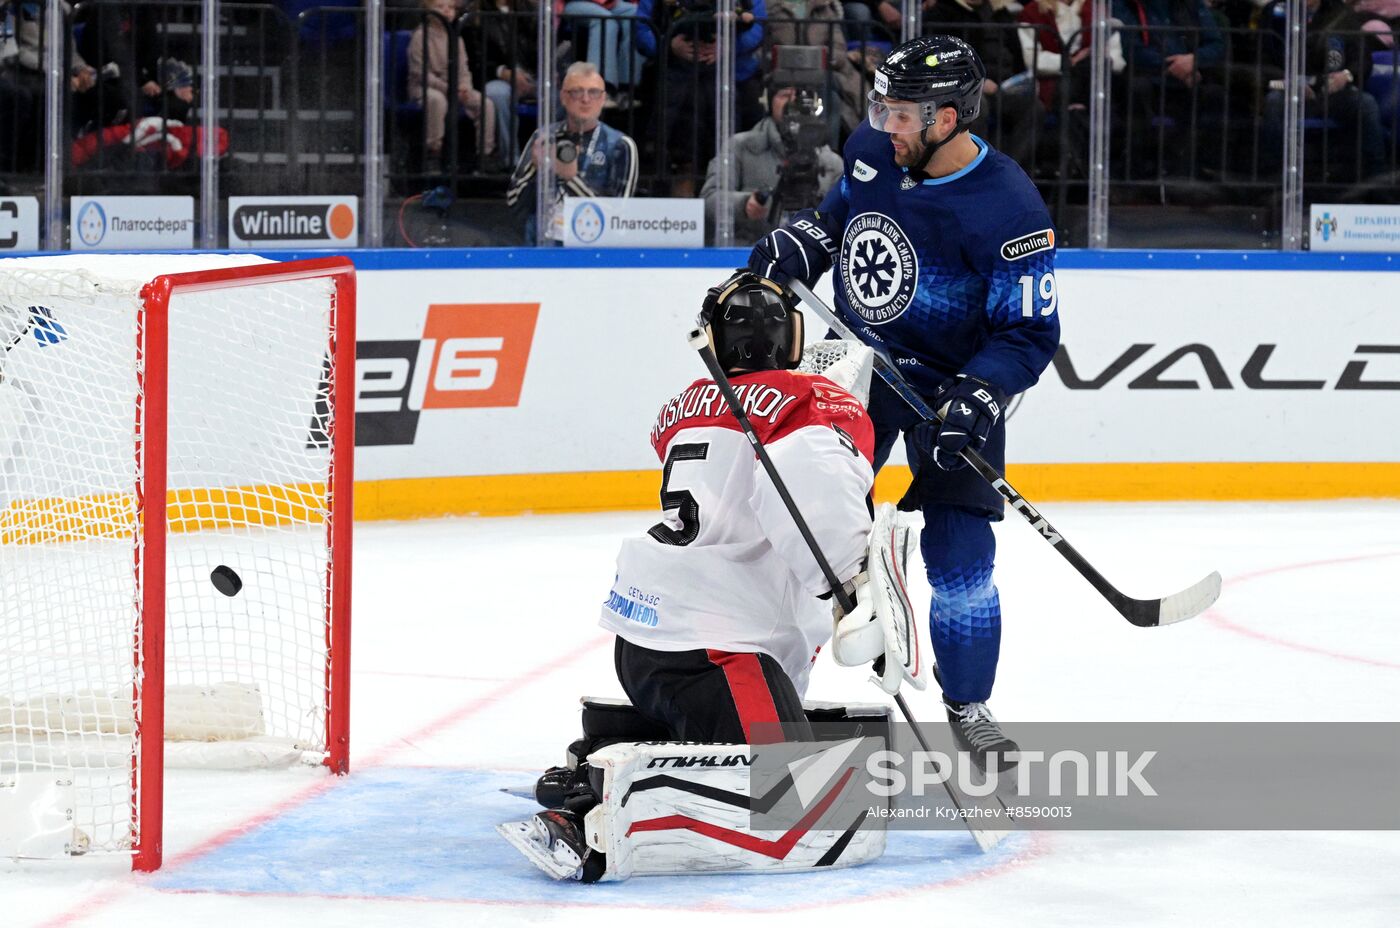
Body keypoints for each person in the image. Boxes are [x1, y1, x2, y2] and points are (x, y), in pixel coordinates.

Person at [746, 34, 1061, 771]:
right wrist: (799, 246)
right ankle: (766, 684)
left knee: (960, 565)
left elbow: (1029, 333)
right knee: (804, 530)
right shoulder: (872, 148)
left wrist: (979, 397)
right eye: (883, 107)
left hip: (952, 391)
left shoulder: (1009, 206)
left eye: (903, 114)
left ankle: (968, 705)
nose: (886, 123)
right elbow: (835, 222)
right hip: (856, 370)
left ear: (949, 118)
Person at [502, 271, 877, 880]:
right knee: (789, 799)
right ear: (792, 340)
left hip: (647, 640)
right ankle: (593, 812)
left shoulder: (688, 408)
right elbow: (812, 493)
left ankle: (598, 750)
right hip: (719, 650)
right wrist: (849, 585)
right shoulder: (805, 404)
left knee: (727, 734)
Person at [505, 61, 638, 244]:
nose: (585, 99)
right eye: (576, 92)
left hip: (594, 255)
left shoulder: (620, 145)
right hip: (541, 250)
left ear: (603, 99)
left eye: (593, 92)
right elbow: (513, 203)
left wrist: (571, 179)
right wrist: (535, 169)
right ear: (563, 97)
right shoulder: (544, 137)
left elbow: (618, 220)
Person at [699, 80, 844, 243]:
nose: (793, 103)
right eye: (785, 95)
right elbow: (709, 199)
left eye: (800, 97)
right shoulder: (740, 146)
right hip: (749, 252)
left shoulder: (831, 162)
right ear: (768, 102)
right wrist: (744, 204)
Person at [407, 0, 497, 167]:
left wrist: (465, 87)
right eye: (440, 7)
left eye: (450, 7)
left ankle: (485, 155)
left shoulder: (456, 38)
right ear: (428, 10)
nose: (446, 11)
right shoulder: (420, 36)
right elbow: (420, 73)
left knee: (485, 104)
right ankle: (433, 151)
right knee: (436, 100)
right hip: (426, 87)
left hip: (455, 88)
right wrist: (449, 88)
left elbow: (463, 69)